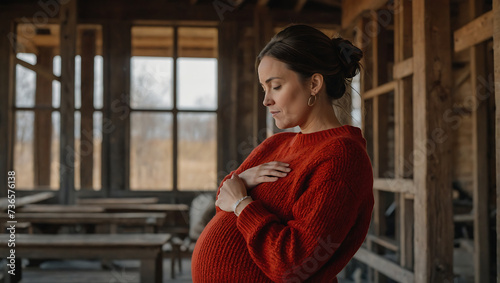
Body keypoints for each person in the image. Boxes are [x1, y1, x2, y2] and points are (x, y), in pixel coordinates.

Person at [191, 24, 374, 283]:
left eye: (275, 86)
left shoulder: (342, 158)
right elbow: (224, 198)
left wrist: (243, 204)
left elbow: (292, 264)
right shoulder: (276, 145)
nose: (266, 100)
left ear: (314, 83)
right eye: (263, 88)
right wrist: (241, 182)